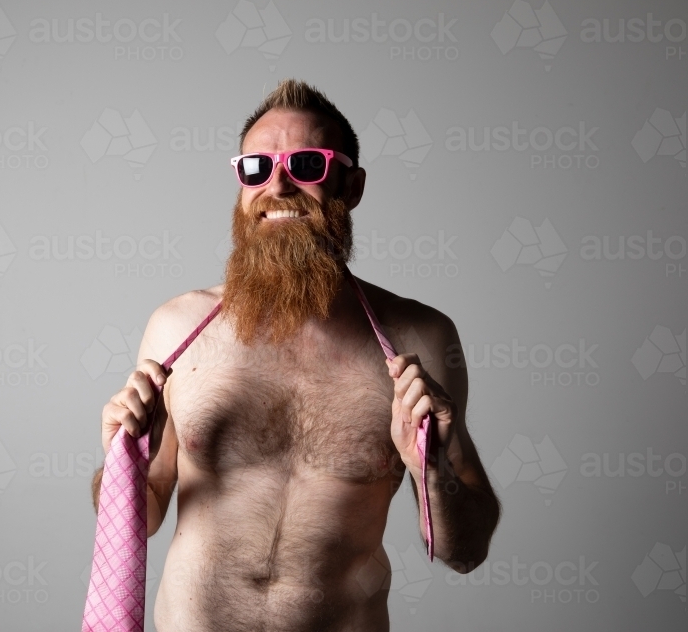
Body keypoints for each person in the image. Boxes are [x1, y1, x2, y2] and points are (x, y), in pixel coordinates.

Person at [91, 79, 500, 631]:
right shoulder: (176, 328)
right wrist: (122, 462)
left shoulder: (420, 339)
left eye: (307, 164)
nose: (278, 185)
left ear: (352, 185)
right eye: (256, 167)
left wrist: (431, 471)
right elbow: (142, 516)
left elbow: (466, 551)